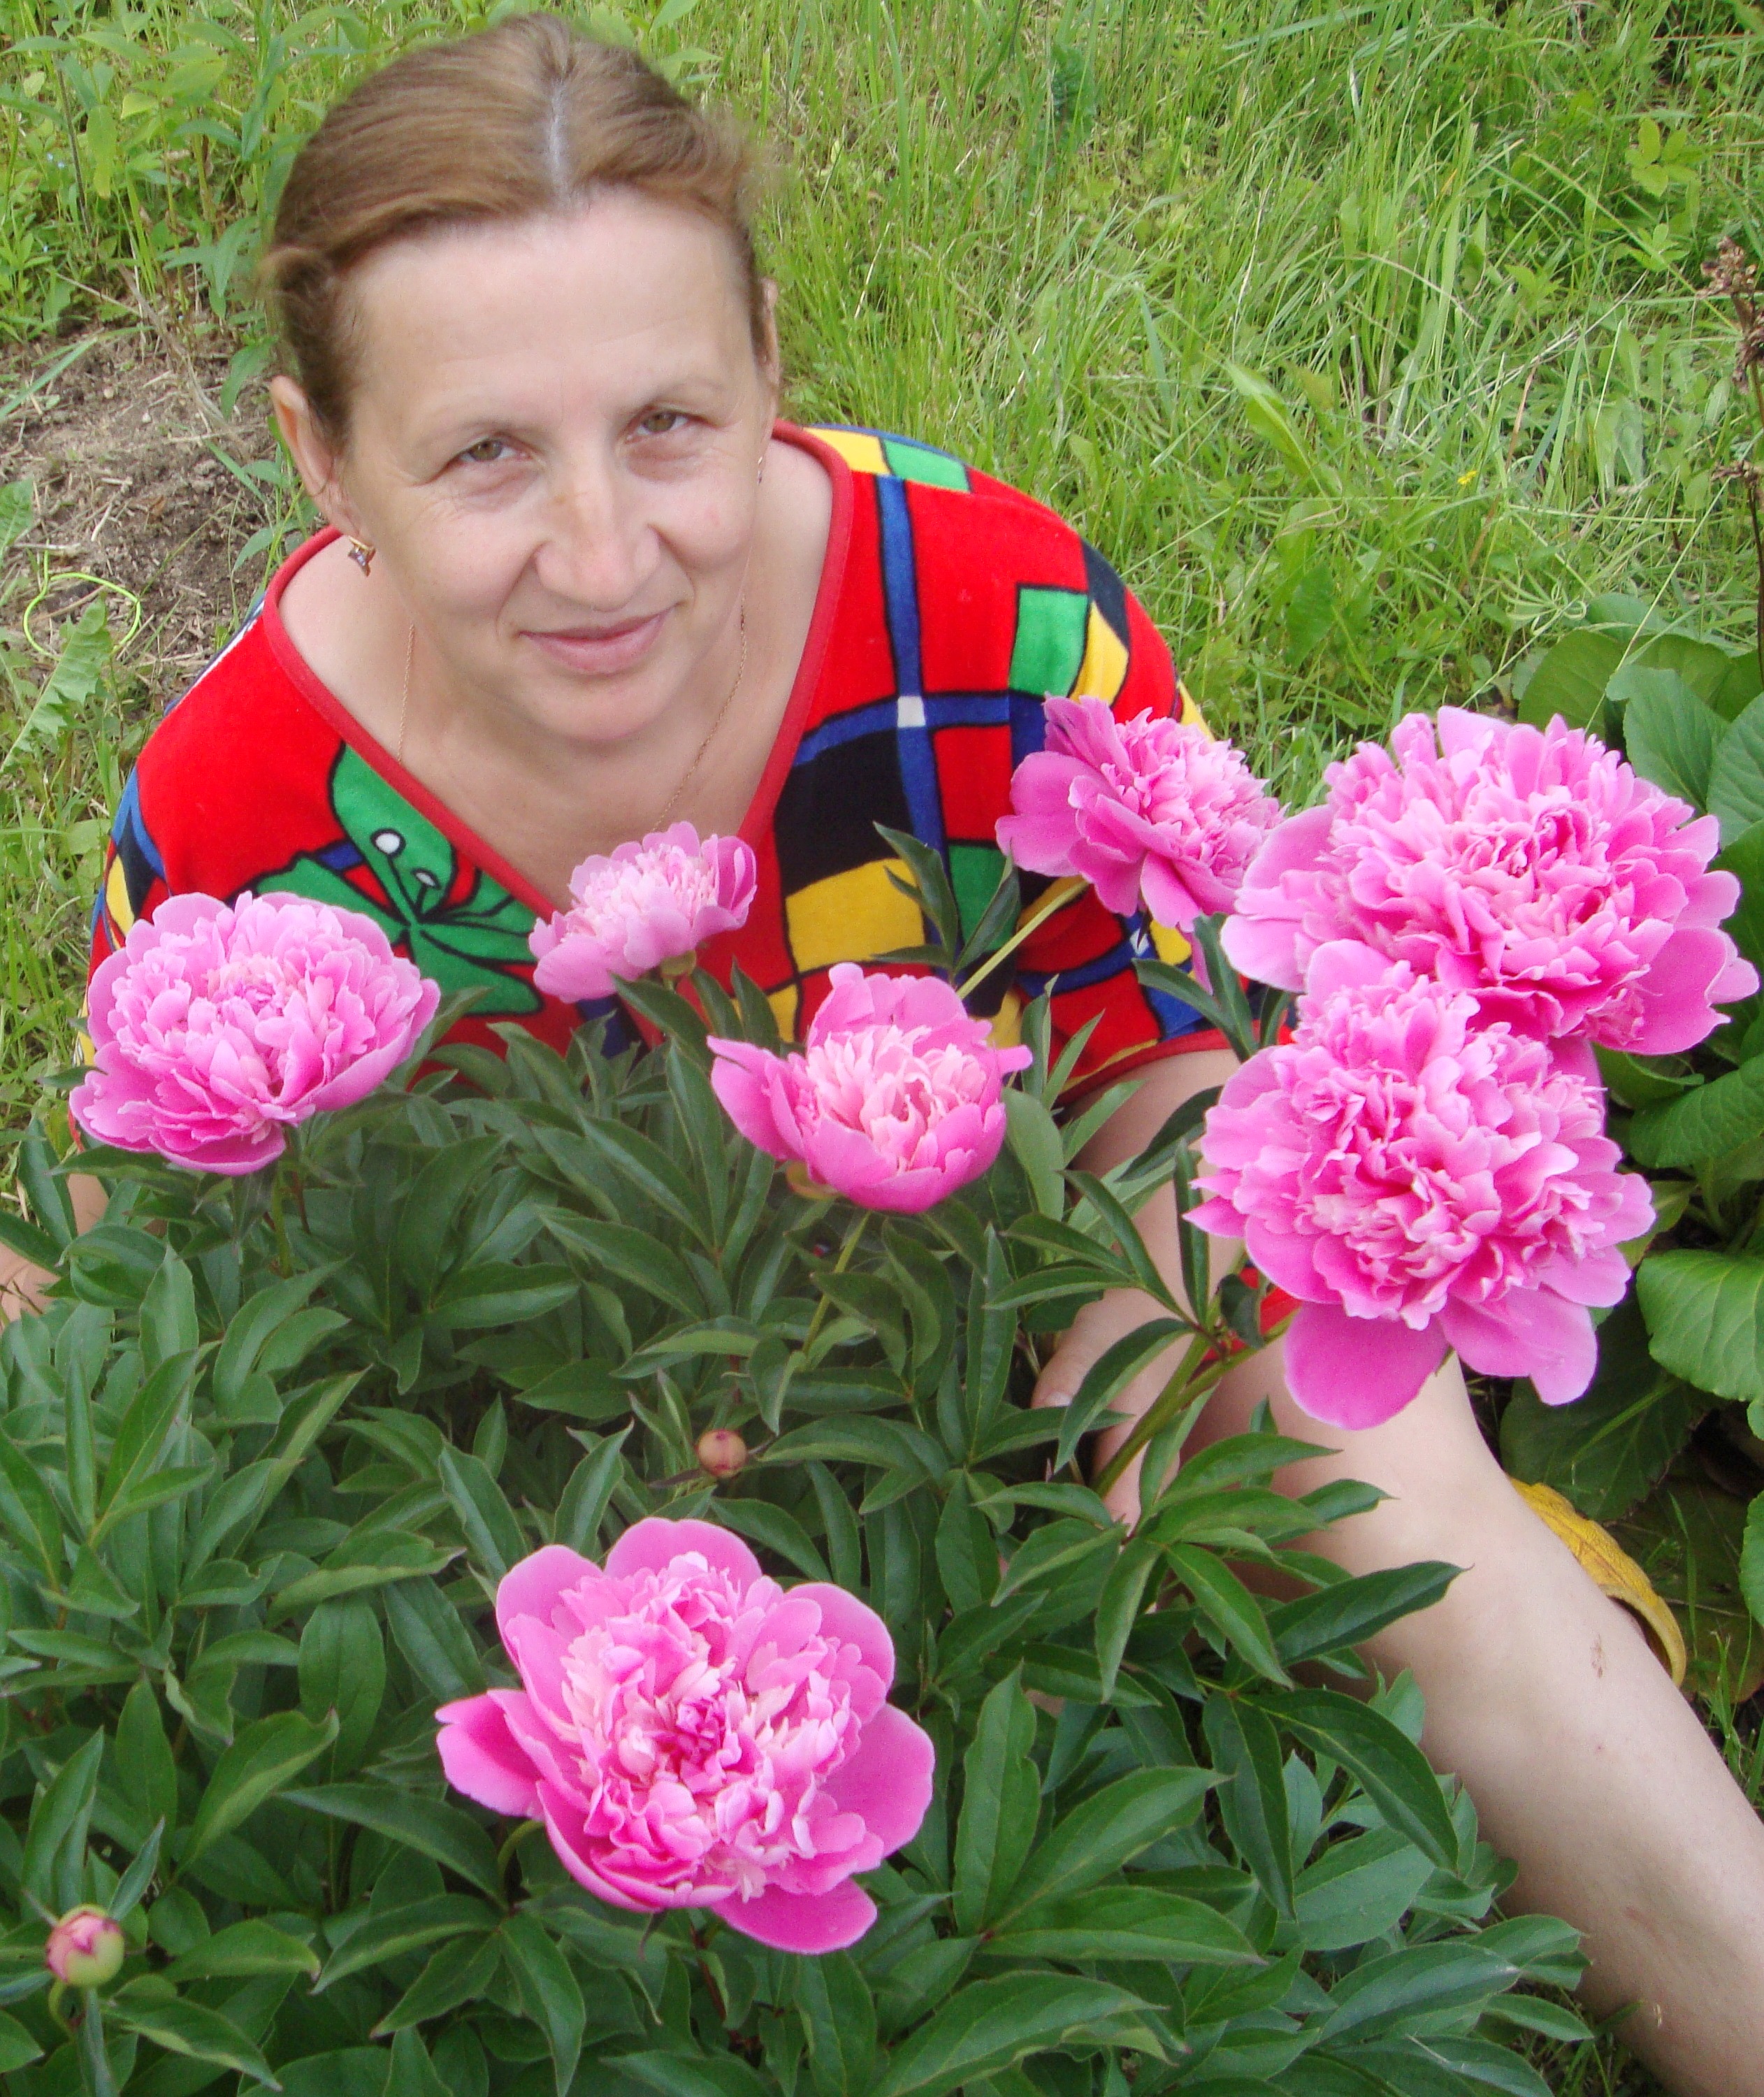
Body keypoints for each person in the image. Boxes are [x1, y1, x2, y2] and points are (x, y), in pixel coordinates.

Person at [15, 17, 1764, 2088]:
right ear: (323, 460)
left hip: (1009, 1290)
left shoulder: (985, 616)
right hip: (551, 1440)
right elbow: (163, 1288)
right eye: (484, 455)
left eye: (668, 422)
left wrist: (1142, 1360)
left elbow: (1163, 1057)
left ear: (768, 359)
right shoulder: (238, 810)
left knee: (1393, 1518)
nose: (604, 552)